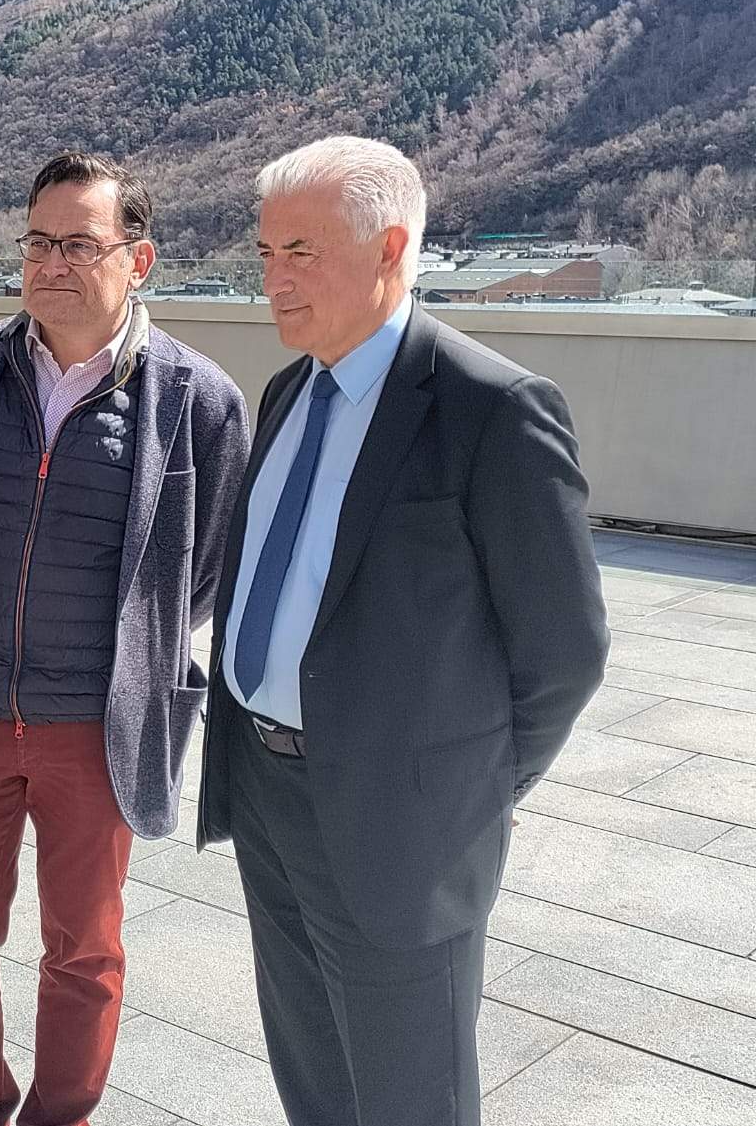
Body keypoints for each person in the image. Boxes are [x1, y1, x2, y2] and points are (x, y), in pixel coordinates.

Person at [195, 136, 609, 1126]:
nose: (273, 278)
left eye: (301, 251)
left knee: (411, 1101)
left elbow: (565, 651)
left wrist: (465, 791)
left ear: (388, 249)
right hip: (267, 800)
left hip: (400, 830)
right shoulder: (288, 390)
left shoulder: (491, 410)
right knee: (316, 1086)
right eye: (265, 252)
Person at [0, 153, 250, 1126]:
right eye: (38, 242)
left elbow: (205, 568)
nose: (52, 263)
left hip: (99, 727)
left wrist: (139, 646)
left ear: (138, 259)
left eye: (79, 244)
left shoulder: (198, 397)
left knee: (83, 952)